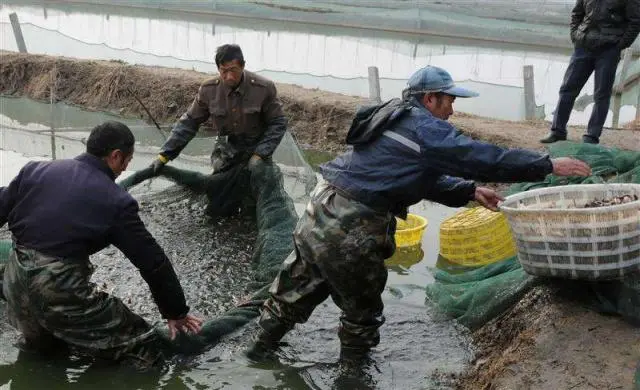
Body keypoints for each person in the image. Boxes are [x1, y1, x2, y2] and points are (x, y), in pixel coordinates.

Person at [247, 65, 592, 361]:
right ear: (430, 99)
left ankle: (256, 355)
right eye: (449, 101)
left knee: (291, 295)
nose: (452, 111)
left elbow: (409, 176)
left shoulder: (390, 118)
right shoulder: (424, 127)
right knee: (362, 316)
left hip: (319, 209)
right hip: (351, 224)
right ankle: (352, 377)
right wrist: (545, 164)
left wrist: (469, 190)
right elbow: (479, 156)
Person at [0, 121, 202, 368]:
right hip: (58, 288)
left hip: (14, 282)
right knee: (141, 344)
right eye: (127, 161)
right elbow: (153, 263)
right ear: (116, 156)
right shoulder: (116, 201)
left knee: (43, 351)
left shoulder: (36, 170)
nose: (125, 167)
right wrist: (175, 313)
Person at [148, 43, 288, 216]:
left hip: (255, 151)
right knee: (218, 196)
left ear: (243, 66)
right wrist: (164, 155)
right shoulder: (209, 90)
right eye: (223, 71)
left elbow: (278, 123)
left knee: (252, 202)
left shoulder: (263, 88)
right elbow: (189, 122)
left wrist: (260, 154)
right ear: (218, 69)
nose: (229, 76)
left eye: (233, 70)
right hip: (226, 151)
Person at [540, 0, 640, 145]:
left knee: (601, 94)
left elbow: (636, 21)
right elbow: (577, 13)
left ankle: (592, 136)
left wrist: (619, 45)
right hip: (583, 46)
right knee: (567, 89)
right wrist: (576, 35)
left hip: (608, 50)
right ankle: (557, 131)